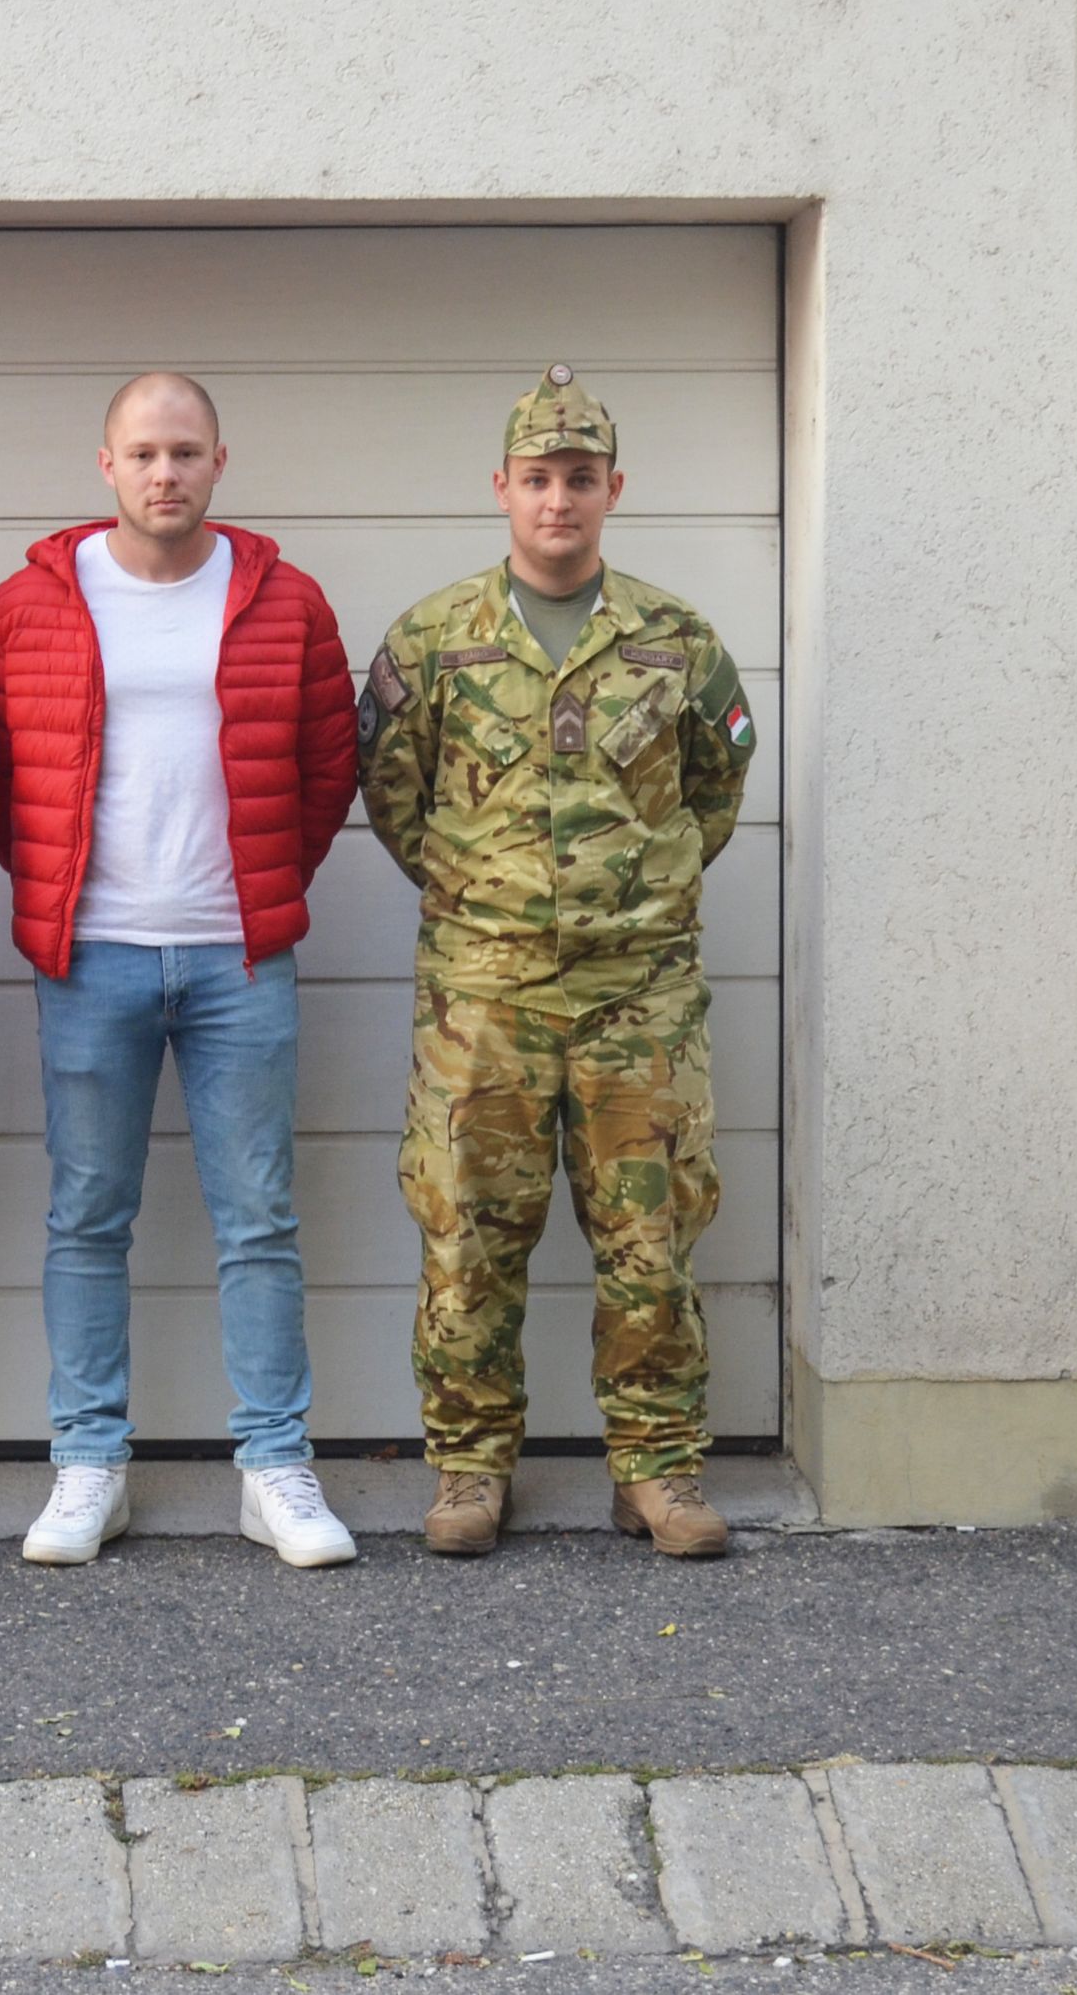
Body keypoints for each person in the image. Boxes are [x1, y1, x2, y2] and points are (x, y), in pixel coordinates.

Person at [359, 365, 758, 1560]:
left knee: (652, 1243)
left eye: (581, 478)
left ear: (613, 489)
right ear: (502, 486)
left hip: (639, 998)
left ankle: (658, 1472)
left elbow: (713, 796)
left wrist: (624, 901)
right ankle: (471, 1471)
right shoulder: (434, 641)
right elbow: (394, 799)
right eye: (538, 478)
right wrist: (493, 904)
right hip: (483, 996)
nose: (558, 500)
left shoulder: (677, 642)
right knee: (468, 1236)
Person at [0, 372, 363, 1569]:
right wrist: (61, 892)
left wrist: (257, 885)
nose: (164, 472)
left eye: (185, 452)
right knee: (89, 1214)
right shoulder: (27, 607)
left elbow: (326, 770)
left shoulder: (286, 601)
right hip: (91, 954)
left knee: (260, 1217)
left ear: (218, 462)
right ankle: (89, 1462)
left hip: (240, 955)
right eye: (143, 452)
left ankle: (273, 1467)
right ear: (106, 464)